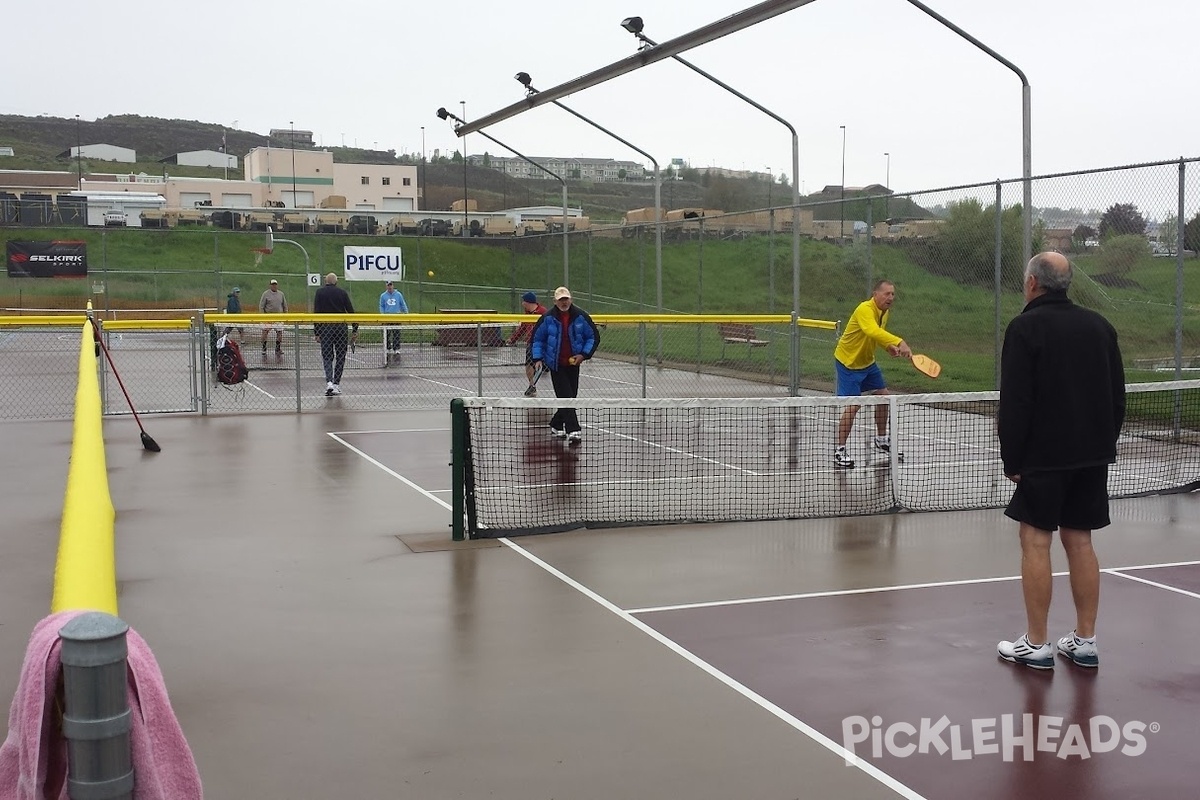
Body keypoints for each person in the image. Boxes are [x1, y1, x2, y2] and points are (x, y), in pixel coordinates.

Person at [996, 251, 1125, 670]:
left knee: (1035, 542)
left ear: (1033, 283)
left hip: (1043, 458)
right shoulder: (1100, 327)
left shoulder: (1024, 328)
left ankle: (1036, 645)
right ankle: (1085, 640)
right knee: (1080, 541)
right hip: (1092, 455)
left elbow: (1016, 401)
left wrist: (1012, 458)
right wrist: (1104, 445)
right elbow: (1117, 396)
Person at [831, 279, 912, 469]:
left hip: (867, 363)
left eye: (893, 294)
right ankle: (840, 450)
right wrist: (900, 342)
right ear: (875, 294)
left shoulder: (884, 312)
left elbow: (876, 335)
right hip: (848, 363)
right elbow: (870, 330)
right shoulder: (864, 310)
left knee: (884, 398)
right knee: (854, 405)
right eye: (887, 294)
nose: (891, 297)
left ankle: (881, 440)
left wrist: (888, 346)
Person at [529, 286, 599, 444]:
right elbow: (537, 339)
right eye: (561, 300)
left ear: (571, 299)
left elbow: (593, 337)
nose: (564, 302)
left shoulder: (581, 316)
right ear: (555, 301)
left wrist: (583, 355)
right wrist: (538, 358)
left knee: (570, 397)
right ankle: (573, 430)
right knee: (567, 396)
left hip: (574, 364)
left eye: (566, 299)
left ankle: (556, 423)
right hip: (556, 365)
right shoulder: (547, 318)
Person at [313, 273, 358, 396]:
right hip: (340, 328)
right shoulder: (342, 293)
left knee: (327, 356)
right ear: (336, 282)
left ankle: (329, 382)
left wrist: (317, 331)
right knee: (340, 356)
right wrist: (355, 328)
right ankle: (336, 383)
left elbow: (317, 312)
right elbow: (350, 310)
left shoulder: (320, 292)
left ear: (325, 281)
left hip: (326, 327)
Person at [507, 291, 548, 393]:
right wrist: (512, 339)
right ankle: (532, 385)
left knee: (546, 366)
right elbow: (522, 328)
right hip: (531, 342)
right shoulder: (527, 314)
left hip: (543, 343)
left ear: (528, 302)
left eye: (524, 301)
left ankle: (544, 367)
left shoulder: (543, 312)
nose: (522, 304)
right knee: (529, 364)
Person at [379, 280, 408, 361]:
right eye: (388, 285)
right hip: (387, 317)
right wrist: (382, 315)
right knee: (387, 334)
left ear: (393, 285)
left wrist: (406, 313)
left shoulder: (398, 295)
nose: (390, 287)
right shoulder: (383, 296)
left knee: (396, 333)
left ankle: (396, 348)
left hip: (396, 316)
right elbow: (381, 306)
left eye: (391, 285)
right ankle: (388, 348)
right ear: (386, 286)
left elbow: (402, 304)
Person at [259, 278, 288, 358]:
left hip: (278, 317)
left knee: (279, 333)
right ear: (270, 285)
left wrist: (286, 315)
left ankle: (278, 348)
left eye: (275, 284)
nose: (274, 286)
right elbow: (261, 306)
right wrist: (263, 316)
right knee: (265, 332)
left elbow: (284, 305)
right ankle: (264, 348)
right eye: (272, 284)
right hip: (268, 317)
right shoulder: (266, 294)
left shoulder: (281, 294)